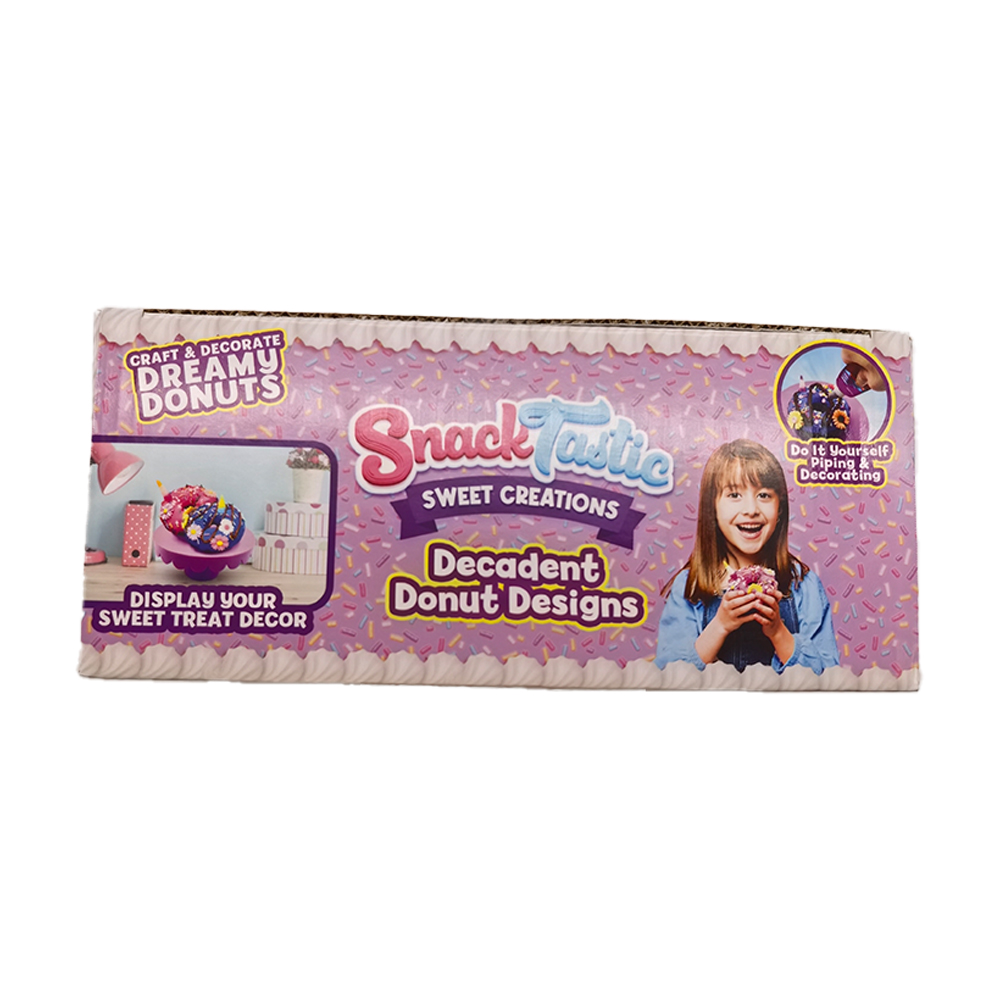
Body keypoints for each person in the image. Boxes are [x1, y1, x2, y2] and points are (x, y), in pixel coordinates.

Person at [655, 439, 838, 675]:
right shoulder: (689, 586)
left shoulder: (803, 585)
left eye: (764, 495)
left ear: (780, 508)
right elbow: (669, 676)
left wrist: (777, 630)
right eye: (734, 494)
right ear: (713, 507)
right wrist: (720, 625)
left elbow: (827, 678)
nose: (751, 509)